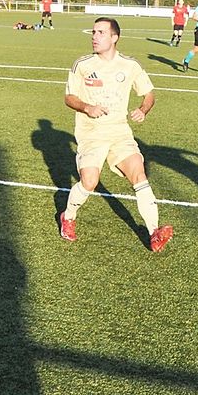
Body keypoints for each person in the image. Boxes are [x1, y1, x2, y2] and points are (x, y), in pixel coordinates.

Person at [61, 17, 173, 252]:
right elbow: (69, 97)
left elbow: (149, 93)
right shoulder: (82, 65)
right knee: (89, 182)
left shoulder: (130, 65)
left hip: (120, 133)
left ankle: (154, 232)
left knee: (139, 174)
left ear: (114, 37)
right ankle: (68, 216)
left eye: (101, 32)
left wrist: (143, 109)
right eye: (93, 32)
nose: (94, 36)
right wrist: (87, 107)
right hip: (91, 134)